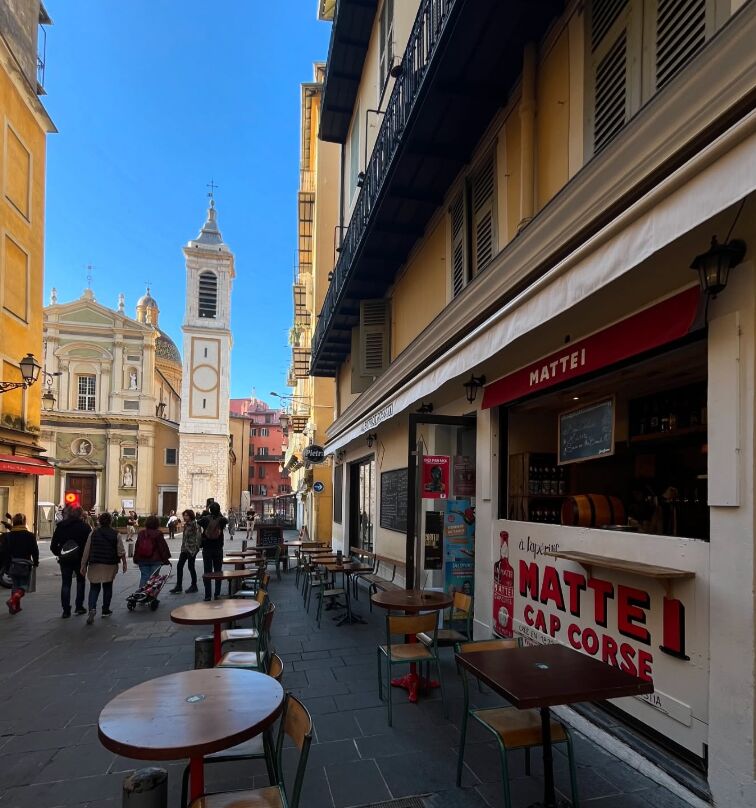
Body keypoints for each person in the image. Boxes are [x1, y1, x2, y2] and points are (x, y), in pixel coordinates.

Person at [80, 512, 126, 624]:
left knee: (94, 587)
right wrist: (124, 563)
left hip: (95, 563)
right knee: (107, 587)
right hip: (109, 563)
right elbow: (121, 550)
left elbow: (87, 550)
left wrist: (83, 565)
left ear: (99, 521)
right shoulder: (116, 534)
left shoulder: (93, 533)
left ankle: (92, 609)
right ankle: (105, 610)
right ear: (111, 521)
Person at [51, 506, 91, 618]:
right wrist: (86, 558)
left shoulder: (61, 527)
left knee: (66, 583)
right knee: (81, 582)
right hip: (80, 559)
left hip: (65, 560)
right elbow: (89, 545)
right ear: (80, 515)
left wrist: (60, 553)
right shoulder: (85, 527)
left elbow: (53, 545)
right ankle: (79, 606)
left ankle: (66, 610)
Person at [4, 514, 39, 615]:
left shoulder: (9, 536)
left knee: (15, 585)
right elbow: (35, 550)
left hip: (13, 564)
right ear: (24, 522)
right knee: (23, 586)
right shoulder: (30, 535)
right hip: (25, 564)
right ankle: (13, 601)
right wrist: (36, 562)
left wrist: (7, 566)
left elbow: (6, 552)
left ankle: (14, 608)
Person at [198, 502, 227, 601]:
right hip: (218, 548)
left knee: (207, 572)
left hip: (207, 548)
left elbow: (198, 521)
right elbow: (226, 520)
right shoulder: (222, 520)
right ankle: (217, 594)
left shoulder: (205, 519)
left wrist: (206, 511)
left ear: (210, 510)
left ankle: (207, 595)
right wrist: (219, 513)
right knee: (218, 572)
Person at [133, 515, 170, 588]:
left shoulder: (141, 533)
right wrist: (166, 559)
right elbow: (162, 547)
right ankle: (151, 594)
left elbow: (137, 546)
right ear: (157, 523)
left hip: (142, 559)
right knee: (153, 578)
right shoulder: (158, 533)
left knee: (144, 576)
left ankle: (141, 592)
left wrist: (136, 558)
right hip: (155, 560)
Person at [169, 509, 200, 594]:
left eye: (187, 515)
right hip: (185, 549)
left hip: (192, 549)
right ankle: (179, 586)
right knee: (179, 566)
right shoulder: (186, 525)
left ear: (191, 516)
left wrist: (196, 549)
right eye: (184, 515)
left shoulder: (195, 524)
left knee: (191, 567)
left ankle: (194, 585)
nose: (185, 517)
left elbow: (198, 537)